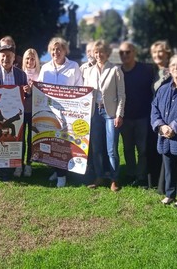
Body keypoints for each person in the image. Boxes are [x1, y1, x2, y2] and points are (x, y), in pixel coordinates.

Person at [37, 37, 83, 187]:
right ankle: (57, 171)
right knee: (52, 142)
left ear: (65, 50)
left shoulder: (73, 66)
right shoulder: (45, 68)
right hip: (50, 112)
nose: (55, 52)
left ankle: (62, 176)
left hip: (68, 113)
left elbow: (79, 88)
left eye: (59, 49)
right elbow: (40, 89)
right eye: (53, 50)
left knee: (64, 142)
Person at [0, 44, 30, 182]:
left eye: (9, 55)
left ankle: (5, 172)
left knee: (8, 140)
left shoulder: (21, 75)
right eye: (3, 55)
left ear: (14, 57)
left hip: (10, 115)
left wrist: (27, 91)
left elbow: (24, 96)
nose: (5, 58)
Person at [84, 40, 125, 192]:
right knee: (96, 147)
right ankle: (99, 176)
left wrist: (119, 114)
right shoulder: (89, 71)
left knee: (111, 148)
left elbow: (121, 95)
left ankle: (114, 179)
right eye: (96, 52)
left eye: (101, 52)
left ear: (107, 53)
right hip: (95, 113)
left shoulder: (115, 70)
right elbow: (85, 93)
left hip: (110, 113)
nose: (99, 55)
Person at [119, 41, 154, 187]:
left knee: (142, 149)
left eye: (128, 52)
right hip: (125, 117)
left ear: (134, 52)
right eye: (122, 53)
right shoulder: (118, 72)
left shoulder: (146, 70)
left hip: (143, 116)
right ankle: (130, 173)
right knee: (127, 148)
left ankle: (141, 176)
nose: (125, 55)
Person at [151, 54, 177, 207]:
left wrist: (174, 127)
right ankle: (170, 194)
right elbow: (154, 109)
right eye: (173, 65)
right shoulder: (163, 90)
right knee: (168, 167)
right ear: (169, 69)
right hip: (164, 136)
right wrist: (160, 126)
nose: (176, 67)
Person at [148, 40, 172, 193]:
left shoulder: (173, 71)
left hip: (167, 116)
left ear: (167, 53)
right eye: (154, 52)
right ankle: (153, 180)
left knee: (165, 149)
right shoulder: (150, 70)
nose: (157, 55)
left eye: (160, 51)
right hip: (152, 115)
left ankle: (165, 185)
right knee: (151, 148)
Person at [14, 48, 40, 178]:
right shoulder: (20, 74)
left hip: (34, 112)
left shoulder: (40, 75)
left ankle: (28, 164)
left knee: (30, 139)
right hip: (21, 111)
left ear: (36, 60)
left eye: (32, 59)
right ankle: (18, 165)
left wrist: (32, 91)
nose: (30, 61)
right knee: (20, 139)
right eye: (27, 59)